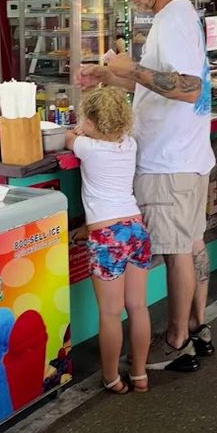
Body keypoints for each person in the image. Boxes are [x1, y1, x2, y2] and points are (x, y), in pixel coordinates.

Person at [80, 0, 214, 371]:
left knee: (176, 251)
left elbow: (188, 86)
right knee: (189, 246)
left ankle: (176, 339)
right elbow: (166, 86)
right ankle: (194, 328)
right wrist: (112, 75)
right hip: (186, 156)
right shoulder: (179, 17)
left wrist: (129, 68)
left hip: (168, 161)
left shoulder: (172, 18)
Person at [65, 87, 152, 393]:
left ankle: (112, 377)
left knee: (111, 312)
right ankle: (140, 373)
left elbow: (67, 139)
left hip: (107, 237)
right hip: (136, 229)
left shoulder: (86, 147)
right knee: (138, 306)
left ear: (90, 120)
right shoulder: (129, 144)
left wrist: (77, 131)